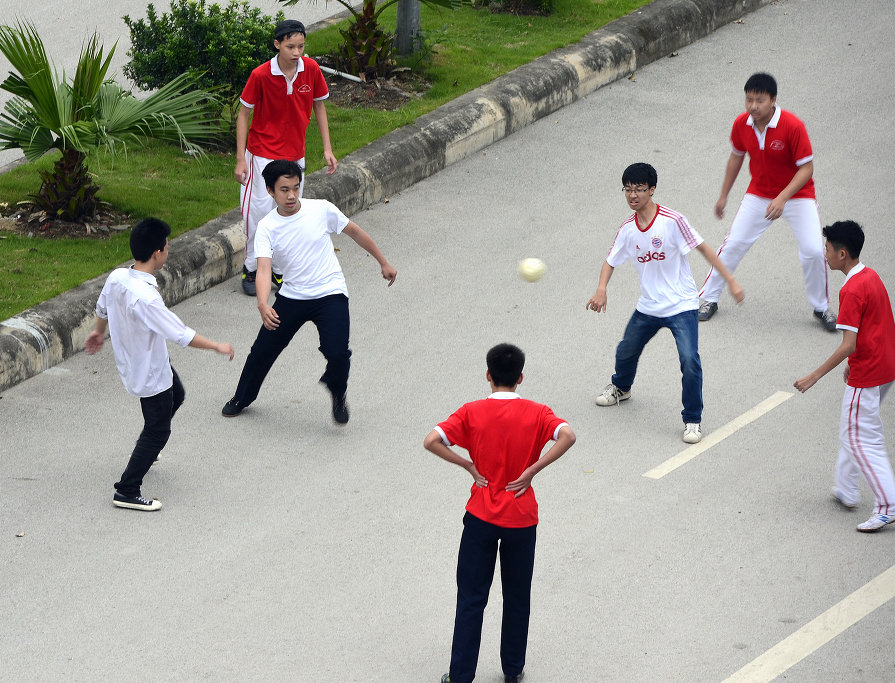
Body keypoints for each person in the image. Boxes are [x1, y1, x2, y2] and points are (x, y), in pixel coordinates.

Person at [424, 343, 576, 683]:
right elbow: (567, 435)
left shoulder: (471, 412)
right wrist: (533, 470)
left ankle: (461, 675)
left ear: (488, 376)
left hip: (479, 518)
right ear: (520, 377)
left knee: (471, 599)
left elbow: (432, 440)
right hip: (521, 519)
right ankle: (512, 670)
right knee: (517, 597)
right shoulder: (538, 413)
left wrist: (467, 464)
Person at [221, 160, 396, 423]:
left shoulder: (321, 209)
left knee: (337, 353)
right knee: (261, 351)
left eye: (295, 187)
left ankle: (338, 394)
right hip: (292, 296)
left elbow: (355, 232)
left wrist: (383, 261)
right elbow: (264, 268)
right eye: (284, 190)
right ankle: (242, 397)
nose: (291, 195)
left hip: (330, 293)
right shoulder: (267, 227)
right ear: (270, 191)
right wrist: (262, 303)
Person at [587, 162, 743, 444]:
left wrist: (730, 281)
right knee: (626, 351)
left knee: (689, 360)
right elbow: (610, 261)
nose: (632, 195)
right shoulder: (627, 230)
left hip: (681, 305)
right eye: (628, 189)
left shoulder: (672, 221)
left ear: (652, 189)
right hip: (649, 306)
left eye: (639, 189)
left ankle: (692, 420)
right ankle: (621, 387)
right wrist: (601, 289)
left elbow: (704, 249)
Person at [85, 218, 235, 512]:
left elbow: (102, 309)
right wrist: (217, 346)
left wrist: (98, 332)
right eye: (167, 246)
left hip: (145, 361)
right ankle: (127, 489)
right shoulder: (147, 299)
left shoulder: (118, 277)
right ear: (157, 253)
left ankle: (148, 449)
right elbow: (181, 334)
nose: (169, 250)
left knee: (177, 395)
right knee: (158, 430)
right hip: (149, 371)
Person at [697, 72, 836, 331]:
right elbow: (736, 157)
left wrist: (783, 197)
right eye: (749, 100)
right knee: (733, 244)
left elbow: (807, 168)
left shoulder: (793, 126)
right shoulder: (742, 124)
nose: (753, 106)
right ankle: (709, 299)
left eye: (759, 100)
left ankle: (821, 308)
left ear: (773, 100)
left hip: (797, 196)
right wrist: (724, 195)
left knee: (814, 251)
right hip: (759, 194)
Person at [794, 221, 895, 533]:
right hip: (886, 367)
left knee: (860, 439)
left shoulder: (851, 289)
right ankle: (846, 489)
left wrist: (813, 376)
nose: (824, 253)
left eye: (827, 249)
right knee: (853, 430)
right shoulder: (870, 276)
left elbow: (848, 344)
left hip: (867, 374)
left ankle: (888, 506)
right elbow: (873, 329)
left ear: (842, 254)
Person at [235, 19, 339, 296]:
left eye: (301, 46)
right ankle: (251, 267)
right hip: (261, 155)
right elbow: (244, 114)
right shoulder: (260, 75)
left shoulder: (312, 70)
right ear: (277, 44)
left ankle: (279, 270)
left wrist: (327, 149)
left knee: (289, 212)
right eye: (291, 46)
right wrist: (240, 158)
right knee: (257, 215)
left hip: (295, 155)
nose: (297, 52)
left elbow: (320, 108)